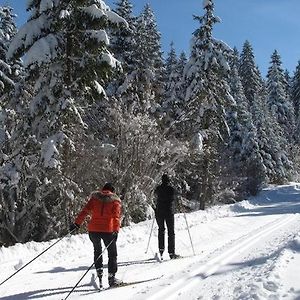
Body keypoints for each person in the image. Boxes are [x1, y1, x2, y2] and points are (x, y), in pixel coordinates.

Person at [70, 182, 122, 288]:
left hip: (93, 230)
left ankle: (99, 274)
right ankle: (111, 278)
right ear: (113, 191)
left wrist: (77, 224)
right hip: (108, 230)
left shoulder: (95, 198)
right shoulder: (115, 201)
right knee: (112, 254)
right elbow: (116, 217)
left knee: (97, 251)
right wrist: (116, 230)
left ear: (102, 189)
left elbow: (85, 211)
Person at [154, 174, 180, 260]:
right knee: (171, 232)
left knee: (161, 230)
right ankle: (171, 253)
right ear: (168, 181)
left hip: (159, 212)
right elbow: (176, 196)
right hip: (169, 212)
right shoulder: (171, 189)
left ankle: (161, 250)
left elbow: (155, 194)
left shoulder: (158, 188)